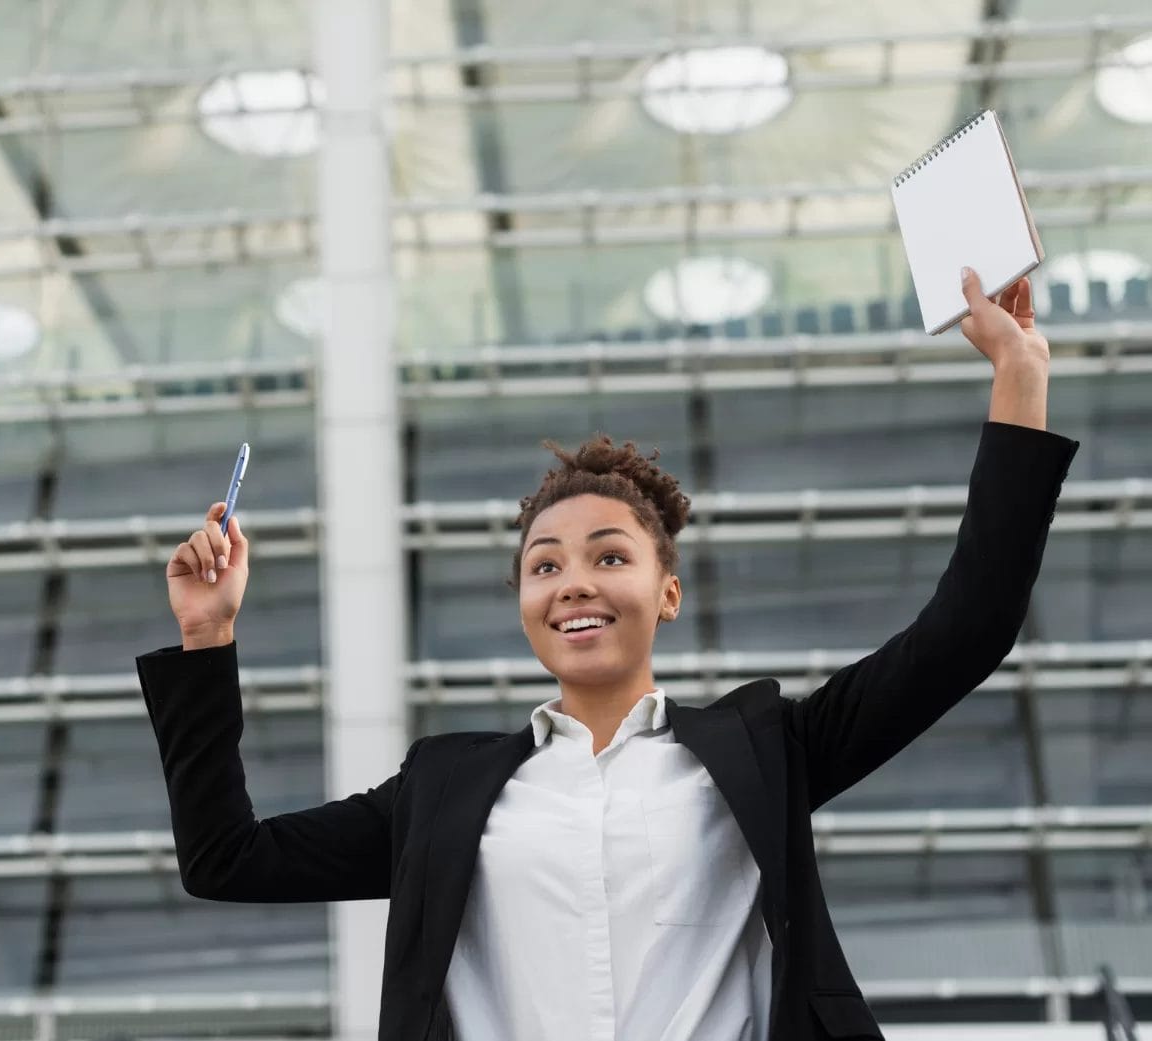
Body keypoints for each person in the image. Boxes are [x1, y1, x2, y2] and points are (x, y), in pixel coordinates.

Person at [137, 269, 1080, 1041]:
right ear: (523, 605)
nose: (574, 581)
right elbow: (227, 858)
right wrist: (206, 636)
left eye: (610, 556)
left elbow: (968, 629)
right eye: (545, 565)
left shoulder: (767, 752)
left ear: (667, 594)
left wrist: (1018, 376)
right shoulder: (440, 790)